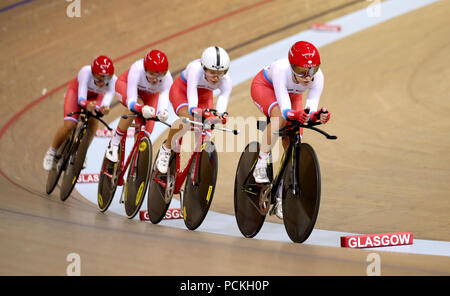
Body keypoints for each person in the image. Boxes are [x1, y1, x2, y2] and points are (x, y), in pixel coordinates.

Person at [250, 41, 331, 219]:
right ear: (292, 65)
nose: (308, 77)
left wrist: (318, 116)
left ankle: (280, 195)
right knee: (280, 118)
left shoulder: (319, 77)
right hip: (266, 88)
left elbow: (309, 111)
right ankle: (261, 163)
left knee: (295, 140)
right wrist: (299, 115)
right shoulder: (281, 69)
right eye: (302, 71)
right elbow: (287, 110)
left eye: (312, 70)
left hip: (293, 97)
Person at [154, 46, 232, 174]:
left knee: (207, 128)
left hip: (204, 96)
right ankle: (166, 148)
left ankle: (197, 159)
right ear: (204, 67)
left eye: (220, 73)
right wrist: (196, 112)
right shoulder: (195, 69)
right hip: (182, 92)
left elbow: (222, 101)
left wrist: (220, 116)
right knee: (188, 120)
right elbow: (192, 98)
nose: (216, 77)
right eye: (212, 72)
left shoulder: (226, 80)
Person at [43, 55, 117, 170]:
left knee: (94, 118)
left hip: (95, 97)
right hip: (77, 94)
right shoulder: (85, 72)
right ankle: (51, 152)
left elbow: (106, 102)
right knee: (70, 125)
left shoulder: (113, 80)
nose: (102, 82)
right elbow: (81, 99)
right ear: (93, 73)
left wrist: (104, 108)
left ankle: (82, 153)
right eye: (98, 78)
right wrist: (86, 104)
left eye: (106, 78)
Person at [104, 49, 172, 162]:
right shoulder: (137, 68)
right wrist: (141, 108)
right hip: (126, 87)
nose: (155, 79)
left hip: (150, 95)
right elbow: (131, 102)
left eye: (159, 75)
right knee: (136, 107)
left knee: (147, 131)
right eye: (151, 74)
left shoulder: (167, 77)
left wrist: (163, 111)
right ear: (145, 69)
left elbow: (164, 95)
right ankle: (114, 143)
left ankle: (134, 165)